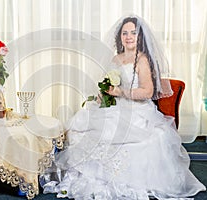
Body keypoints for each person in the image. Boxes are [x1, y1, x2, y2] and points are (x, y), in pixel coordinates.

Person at [40, 15, 206, 199]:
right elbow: (108, 82)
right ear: (120, 37)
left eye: (133, 33)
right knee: (81, 125)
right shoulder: (115, 58)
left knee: (121, 133)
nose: (128, 37)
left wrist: (121, 92)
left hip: (137, 109)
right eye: (125, 33)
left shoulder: (142, 59)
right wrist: (104, 93)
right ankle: (88, 174)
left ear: (140, 37)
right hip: (114, 106)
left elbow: (148, 92)